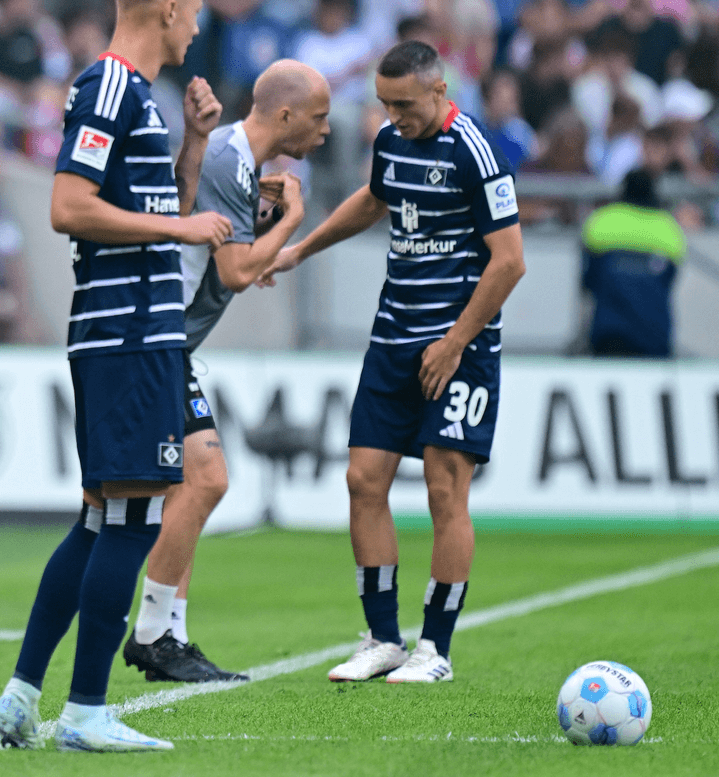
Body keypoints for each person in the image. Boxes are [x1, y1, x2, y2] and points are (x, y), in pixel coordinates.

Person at [0, 0, 233, 753]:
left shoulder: (146, 100)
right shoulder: (110, 86)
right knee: (129, 522)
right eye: (194, 10)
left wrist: (192, 145)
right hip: (125, 333)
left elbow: (163, 212)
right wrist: (180, 225)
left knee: (97, 522)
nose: (197, 27)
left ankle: (23, 694)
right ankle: (86, 709)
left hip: (136, 329)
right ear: (166, 10)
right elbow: (68, 205)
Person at [261, 40, 525, 683]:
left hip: (458, 347)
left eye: (403, 104)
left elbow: (510, 260)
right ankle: (383, 640)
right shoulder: (391, 141)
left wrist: (456, 341)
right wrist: (300, 248)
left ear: (439, 91)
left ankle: (434, 649)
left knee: (444, 489)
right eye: (384, 103)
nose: (392, 115)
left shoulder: (474, 152)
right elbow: (373, 201)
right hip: (393, 338)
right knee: (362, 481)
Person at [122, 59, 331, 684]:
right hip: (152, 339)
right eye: (317, 119)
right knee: (205, 480)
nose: (324, 132)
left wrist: (261, 233)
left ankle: (169, 634)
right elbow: (237, 272)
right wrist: (291, 221)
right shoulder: (228, 160)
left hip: (167, 344)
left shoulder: (241, 167)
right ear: (285, 115)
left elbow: (232, 262)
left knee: (188, 486)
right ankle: (154, 632)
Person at [581, 168, 684, 358]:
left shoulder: (601, 221)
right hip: (655, 333)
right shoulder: (669, 228)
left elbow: (588, 280)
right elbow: (669, 282)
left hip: (609, 332)